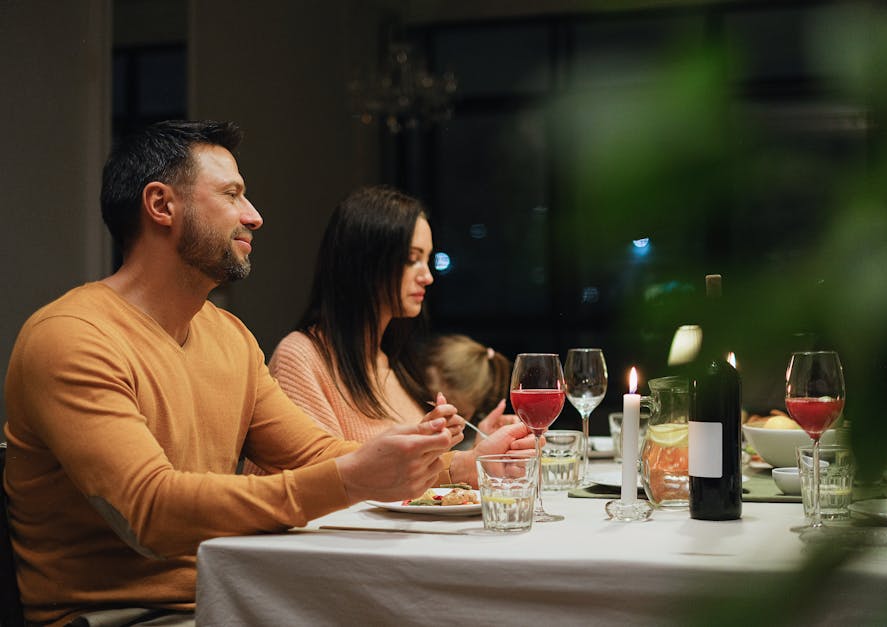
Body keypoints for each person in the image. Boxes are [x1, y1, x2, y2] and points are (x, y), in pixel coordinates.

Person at [2, 121, 534, 627]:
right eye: (232, 194)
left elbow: (312, 452)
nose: (254, 216)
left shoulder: (228, 335)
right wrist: (350, 479)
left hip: (233, 593)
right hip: (126, 617)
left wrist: (459, 466)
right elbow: (152, 512)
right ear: (161, 205)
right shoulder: (72, 337)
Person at [265, 186, 518, 446]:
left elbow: (416, 468)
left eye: (427, 260)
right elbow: (318, 469)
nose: (427, 277)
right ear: (365, 263)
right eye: (411, 259)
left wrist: (479, 453)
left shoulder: (392, 362)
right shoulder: (301, 357)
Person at [423, 333, 517, 442]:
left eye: (458, 414)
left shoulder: (476, 438)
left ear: (478, 408)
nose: (440, 418)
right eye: (431, 404)